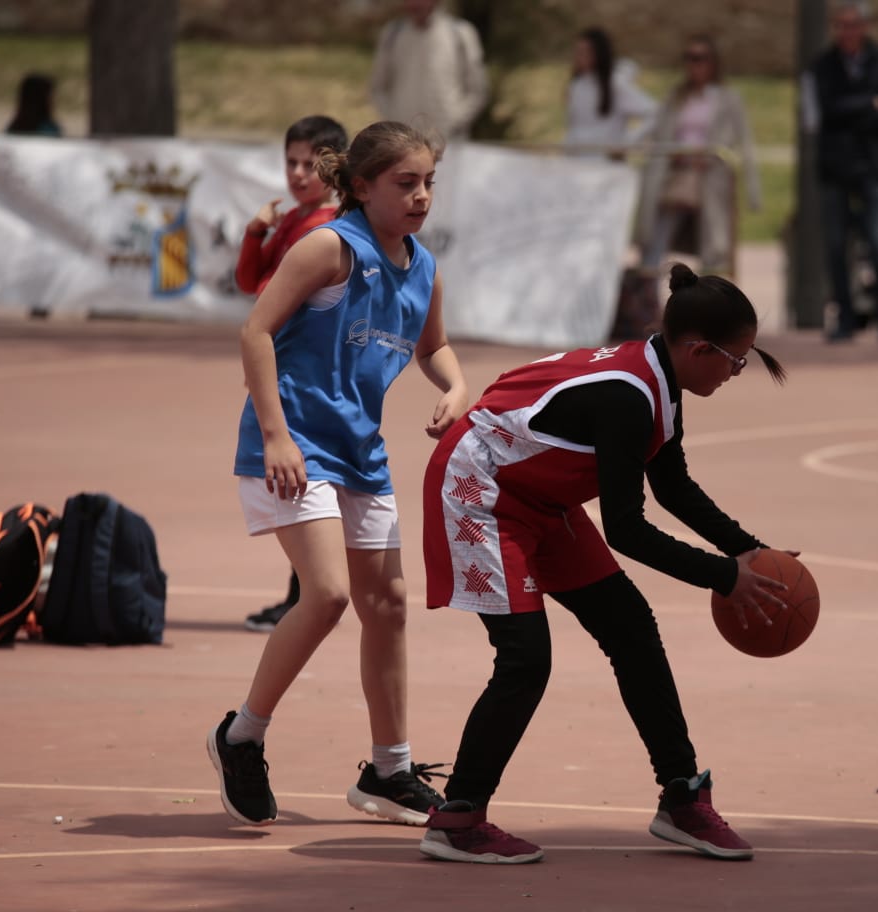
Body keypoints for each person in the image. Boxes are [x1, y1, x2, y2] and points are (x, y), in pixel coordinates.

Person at [417, 263, 789, 864]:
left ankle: (681, 798)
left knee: (631, 628)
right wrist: (724, 578)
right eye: (736, 360)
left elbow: (673, 487)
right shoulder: (627, 397)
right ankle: (457, 817)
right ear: (698, 350)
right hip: (480, 489)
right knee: (526, 658)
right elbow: (628, 530)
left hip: (539, 495)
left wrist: (747, 549)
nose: (737, 371)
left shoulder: (661, 376)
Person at [208, 120, 470, 828]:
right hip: (294, 443)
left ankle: (389, 771)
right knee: (325, 596)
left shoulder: (422, 267)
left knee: (387, 606)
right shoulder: (331, 248)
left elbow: (434, 344)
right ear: (360, 187)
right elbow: (255, 330)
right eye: (404, 183)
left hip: (359, 451)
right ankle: (242, 737)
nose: (420, 197)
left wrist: (456, 385)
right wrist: (275, 437)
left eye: (428, 183)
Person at [233, 115, 350, 633]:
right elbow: (249, 279)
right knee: (297, 484)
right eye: (292, 162)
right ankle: (299, 597)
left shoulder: (324, 228)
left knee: (303, 482)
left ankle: (304, 599)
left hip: (303, 376)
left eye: (312, 164)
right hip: (277, 366)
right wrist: (257, 230)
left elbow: (266, 295)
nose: (299, 173)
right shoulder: (292, 220)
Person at [810, 1, 878, 344]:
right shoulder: (823, 65)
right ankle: (845, 319)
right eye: (841, 25)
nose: (847, 32)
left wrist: (853, 107)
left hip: (873, 165)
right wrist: (869, 103)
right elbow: (826, 111)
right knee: (837, 246)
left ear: (865, 26)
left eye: (853, 24)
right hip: (836, 167)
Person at [636, 36, 760, 276]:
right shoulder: (676, 96)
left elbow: (744, 140)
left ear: (713, 62)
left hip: (710, 175)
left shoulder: (727, 98)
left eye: (700, 58)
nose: (695, 65)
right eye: (689, 58)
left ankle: (710, 300)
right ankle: (647, 296)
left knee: (713, 243)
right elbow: (655, 129)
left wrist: (753, 190)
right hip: (676, 175)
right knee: (656, 236)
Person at [369, 0, 489, 143]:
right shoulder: (392, 34)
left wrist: (454, 120)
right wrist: (393, 119)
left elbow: (478, 89)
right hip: (403, 141)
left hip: (448, 140)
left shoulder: (460, 33)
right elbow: (377, 86)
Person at [564, 26, 658, 156]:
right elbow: (574, 129)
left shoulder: (615, 85)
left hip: (606, 167)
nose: (580, 57)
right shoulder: (576, 85)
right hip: (576, 164)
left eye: (586, 52)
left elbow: (654, 113)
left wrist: (627, 142)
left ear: (599, 53)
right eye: (578, 51)